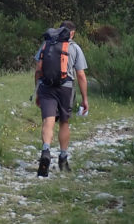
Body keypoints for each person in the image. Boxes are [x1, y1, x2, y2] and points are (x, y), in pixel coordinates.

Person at [34, 20, 88, 176]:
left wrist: (38, 91)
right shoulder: (74, 48)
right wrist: (85, 99)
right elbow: (81, 75)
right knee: (64, 122)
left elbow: (38, 70)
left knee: (48, 120)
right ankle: (63, 158)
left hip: (46, 87)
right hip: (66, 88)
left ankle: (45, 151)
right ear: (72, 33)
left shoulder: (46, 45)